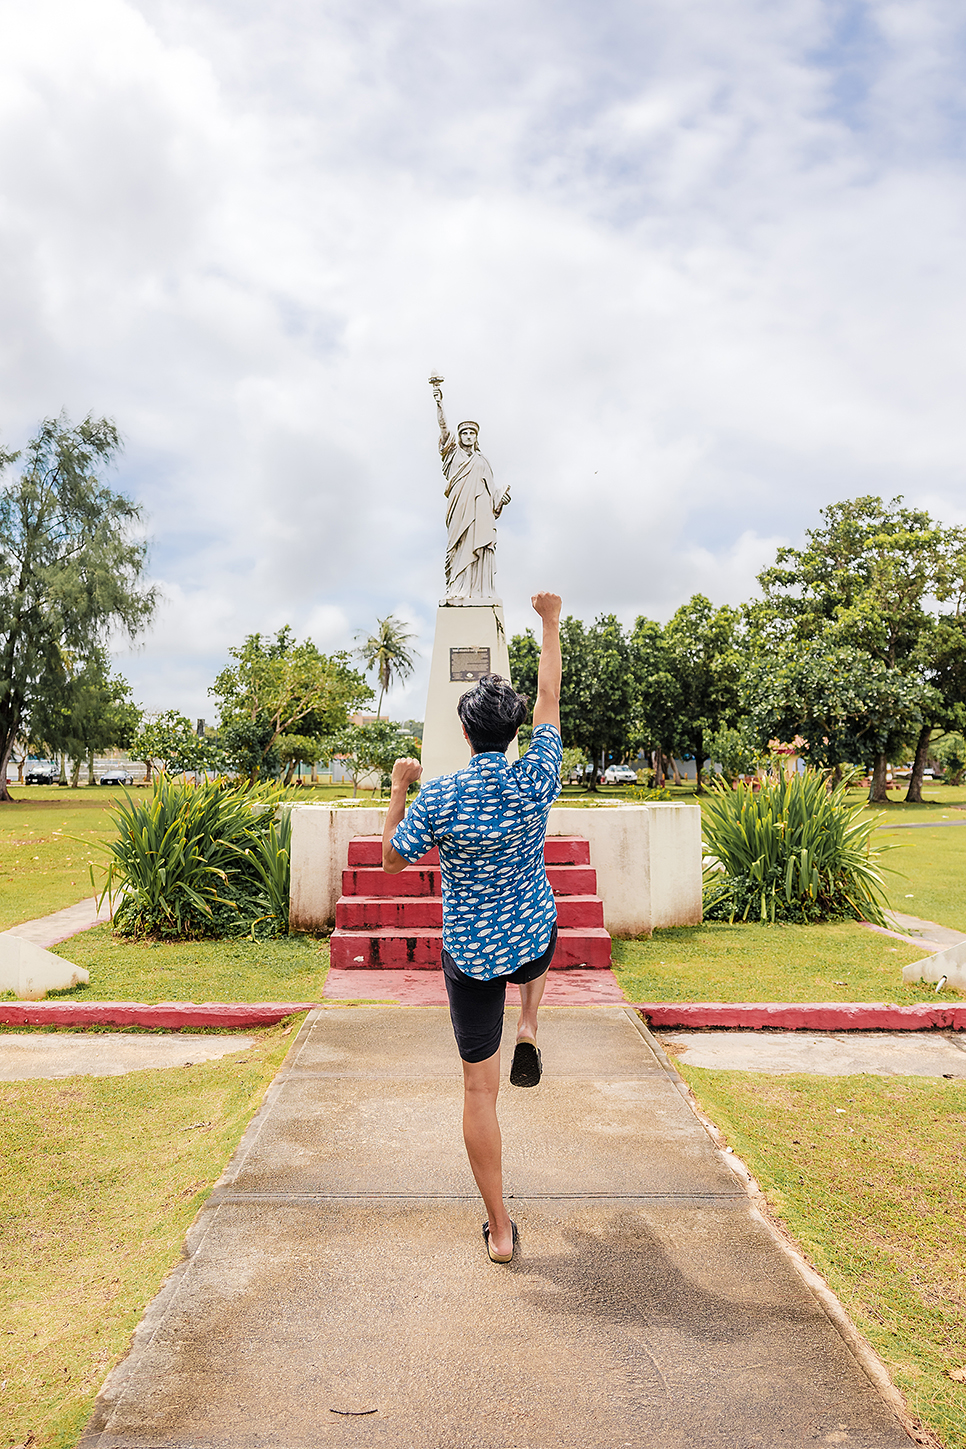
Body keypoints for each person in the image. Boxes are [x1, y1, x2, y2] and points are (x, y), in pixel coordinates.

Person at [381, 591, 563, 1264]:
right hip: (528, 937)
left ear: (464, 735)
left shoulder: (442, 796)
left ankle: (502, 1228)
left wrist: (400, 784)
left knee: (478, 1090)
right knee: (546, 929)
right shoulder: (534, 776)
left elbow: (392, 858)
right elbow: (549, 694)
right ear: (513, 732)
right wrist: (549, 622)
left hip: (472, 956)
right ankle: (532, 1021)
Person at [432, 380, 511, 600]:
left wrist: (501, 498)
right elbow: (444, 428)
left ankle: (478, 590)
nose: (468, 436)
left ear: (476, 437)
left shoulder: (482, 461)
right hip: (459, 509)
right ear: (460, 437)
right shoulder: (453, 454)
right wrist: (439, 404)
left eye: (471, 433)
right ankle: (458, 588)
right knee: (459, 547)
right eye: (464, 433)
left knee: (479, 544)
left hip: (480, 513)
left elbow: (492, 490)